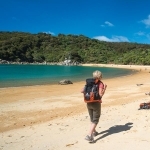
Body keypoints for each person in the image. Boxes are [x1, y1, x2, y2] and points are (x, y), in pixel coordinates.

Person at [81, 70, 107, 142]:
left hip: (88, 102)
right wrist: (104, 89)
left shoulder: (89, 82)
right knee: (95, 120)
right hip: (96, 103)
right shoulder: (100, 83)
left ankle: (94, 132)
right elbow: (100, 95)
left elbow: (81, 91)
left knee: (92, 118)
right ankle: (89, 135)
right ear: (100, 76)